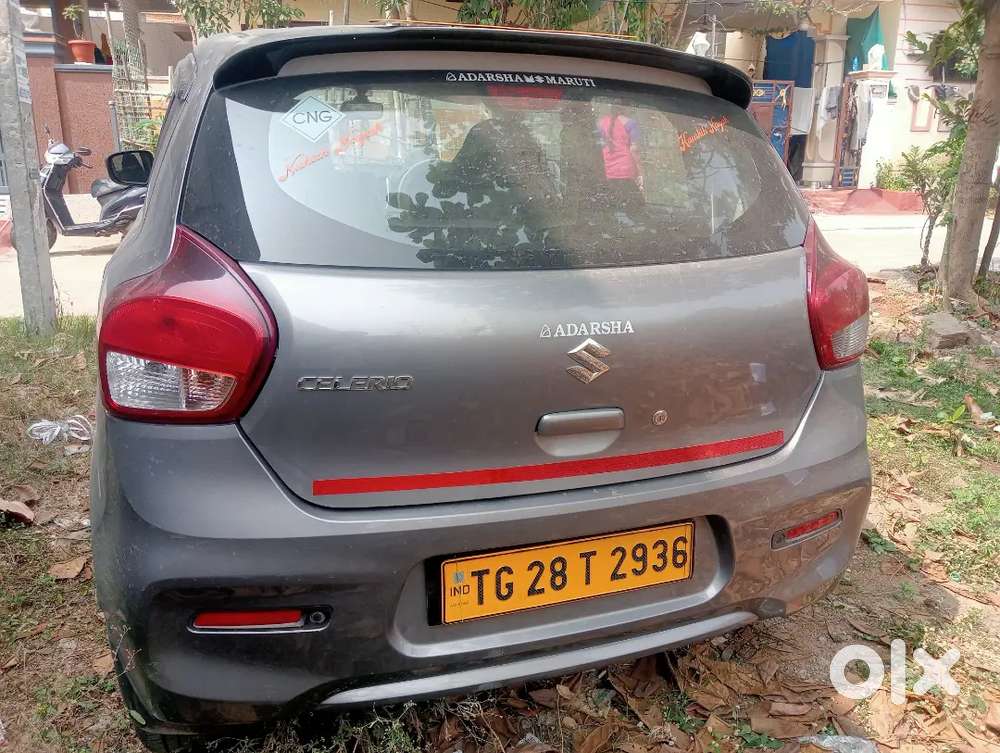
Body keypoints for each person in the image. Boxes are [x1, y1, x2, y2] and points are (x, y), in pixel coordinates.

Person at [597, 105, 644, 210]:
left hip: (607, 169)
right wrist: (640, 173)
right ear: (625, 108)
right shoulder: (631, 123)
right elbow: (634, 149)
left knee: (611, 206)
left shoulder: (600, 123)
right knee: (635, 208)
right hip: (625, 170)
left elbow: (597, 146)